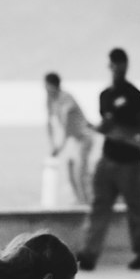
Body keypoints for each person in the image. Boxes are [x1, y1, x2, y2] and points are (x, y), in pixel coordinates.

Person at [75, 49, 140, 272]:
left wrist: (133, 135)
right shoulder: (105, 95)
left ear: (126, 65)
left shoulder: (135, 95)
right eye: (113, 64)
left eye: (120, 64)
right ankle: (88, 254)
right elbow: (105, 122)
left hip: (130, 162)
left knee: (137, 208)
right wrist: (103, 128)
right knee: (98, 207)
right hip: (107, 159)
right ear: (110, 66)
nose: (116, 68)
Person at [44, 73, 96, 204]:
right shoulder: (50, 99)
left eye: (47, 86)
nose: (45, 89)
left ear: (53, 86)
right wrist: (52, 144)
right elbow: (49, 122)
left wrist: (60, 146)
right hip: (75, 140)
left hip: (84, 137)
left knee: (80, 172)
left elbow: (67, 123)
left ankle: (88, 204)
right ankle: (80, 201)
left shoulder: (66, 97)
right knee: (70, 169)